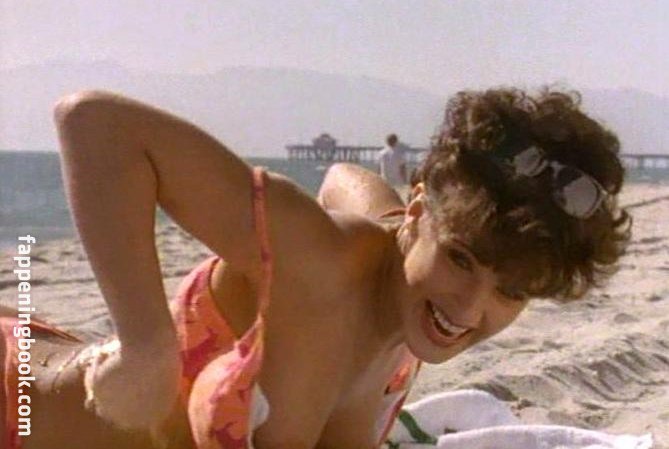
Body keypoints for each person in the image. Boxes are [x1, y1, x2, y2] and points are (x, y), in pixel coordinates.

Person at [0, 87, 631, 449]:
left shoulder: (409, 305)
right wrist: (147, 346)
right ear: (418, 214)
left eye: (511, 291)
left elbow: (342, 177)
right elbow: (94, 123)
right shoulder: (318, 262)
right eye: (460, 259)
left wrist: (419, 242)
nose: (468, 308)